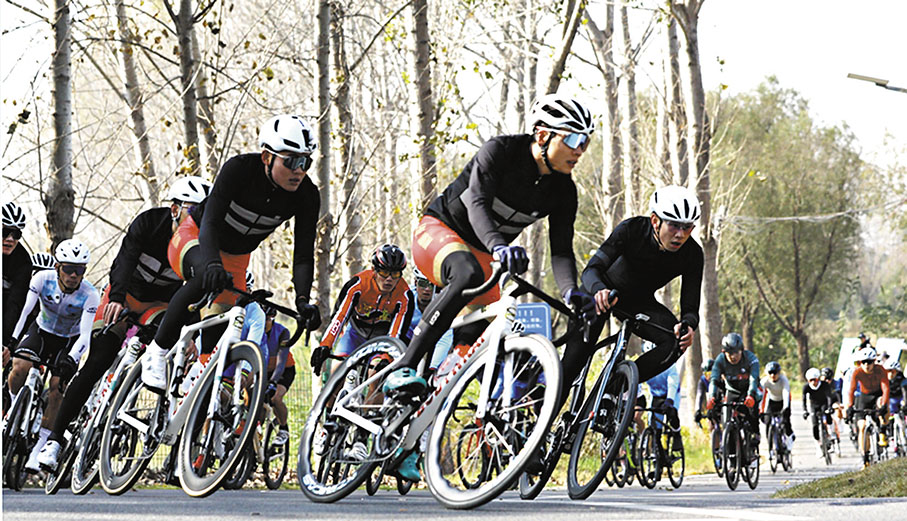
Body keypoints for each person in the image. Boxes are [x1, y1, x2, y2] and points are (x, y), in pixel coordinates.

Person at [382, 94, 596, 480]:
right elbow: (477, 203)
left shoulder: (564, 190)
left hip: (486, 255)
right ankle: (404, 366)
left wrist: (570, 292)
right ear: (544, 135)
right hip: (441, 232)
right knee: (465, 272)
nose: (581, 150)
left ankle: (414, 435)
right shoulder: (501, 151)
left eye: (587, 141)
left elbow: (561, 252)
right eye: (575, 139)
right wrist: (499, 246)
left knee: (481, 349)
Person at [36, 177, 213, 470]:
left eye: (203, 214)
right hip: (125, 294)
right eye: (192, 212)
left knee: (164, 349)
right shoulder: (149, 223)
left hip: (160, 306)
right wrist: (116, 297)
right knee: (98, 359)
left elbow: (194, 291)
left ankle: (126, 414)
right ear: (173, 209)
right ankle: (54, 441)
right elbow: (125, 260)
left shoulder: (200, 242)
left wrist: (190, 332)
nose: (198, 220)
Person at [141, 115, 322, 393]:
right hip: (195, 236)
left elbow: (303, 254)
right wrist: (211, 263)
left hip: (237, 257)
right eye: (291, 161)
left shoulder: (307, 194)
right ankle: (157, 349)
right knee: (203, 276)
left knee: (216, 336)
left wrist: (302, 301)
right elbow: (211, 222)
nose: (299, 170)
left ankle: (193, 409)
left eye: (305, 162)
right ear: (266, 156)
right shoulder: (239, 170)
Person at [558, 184, 703, 413]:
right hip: (601, 293)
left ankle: (615, 386)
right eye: (674, 226)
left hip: (638, 302)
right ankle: (538, 432)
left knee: (676, 342)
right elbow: (591, 270)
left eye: (687, 228)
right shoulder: (632, 229)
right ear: (655, 220)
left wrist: (688, 325)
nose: (680, 235)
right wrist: (599, 290)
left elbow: (690, 304)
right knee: (570, 368)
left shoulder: (693, 254)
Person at [5, 239, 99, 472]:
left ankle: (38, 450)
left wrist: (73, 359)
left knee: (57, 389)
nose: (73, 275)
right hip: (41, 331)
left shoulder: (90, 294)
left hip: (68, 340)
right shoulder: (41, 279)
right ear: (57, 267)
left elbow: (86, 335)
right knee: (20, 365)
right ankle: (14, 407)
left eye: (79, 270)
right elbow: (24, 310)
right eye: (68, 269)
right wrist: (11, 341)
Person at [310, 244, 415, 379]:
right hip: (354, 334)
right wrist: (325, 345)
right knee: (336, 374)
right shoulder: (358, 284)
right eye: (384, 272)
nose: (389, 279)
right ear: (374, 270)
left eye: (395, 274)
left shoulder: (405, 295)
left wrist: (386, 356)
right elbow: (340, 316)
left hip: (381, 338)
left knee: (376, 376)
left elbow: (396, 333)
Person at [707, 333, 761, 440]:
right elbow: (714, 380)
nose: (733, 357)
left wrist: (750, 395)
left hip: (748, 389)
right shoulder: (720, 360)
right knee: (727, 422)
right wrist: (712, 396)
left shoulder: (750, 358)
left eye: (736, 352)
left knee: (751, 412)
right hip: (732, 390)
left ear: (741, 350)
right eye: (729, 353)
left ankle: (755, 434)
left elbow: (754, 379)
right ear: (724, 352)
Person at [845, 347, 890, 467]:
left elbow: (885, 389)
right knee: (862, 426)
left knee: (882, 403)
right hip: (864, 397)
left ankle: (882, 431)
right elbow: (852, 390)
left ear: (874, 362)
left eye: (869, 362)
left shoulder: (880, 370)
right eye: (863, 362)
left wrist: (884, 406)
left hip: (877, 395)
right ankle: (865, 456)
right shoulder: (857, 372)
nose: (866, 365)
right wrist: (849, 406)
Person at [410, 267, 454, 379]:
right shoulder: (407, 298)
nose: (427, 289)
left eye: (431, 285)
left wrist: (433, 367)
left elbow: (446, 337)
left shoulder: (441, 303)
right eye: (423, 283)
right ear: (415, 283)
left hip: (431, 344)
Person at [261, 304, 294, 445]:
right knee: (254, 402)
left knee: (275, 398)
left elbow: (281, 364)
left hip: (283, 371)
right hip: (263, 370)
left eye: (268, 320)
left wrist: (273, 382)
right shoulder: (255, 330)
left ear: (272, 319)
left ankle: (283, 428)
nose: (265, 324)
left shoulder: (282, 332)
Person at [3, 202, 31, 348]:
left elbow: (15, 304)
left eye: (16, 234)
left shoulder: (23, 262)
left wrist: (5, 342)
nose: (10, 239)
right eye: (5, 232)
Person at [760, 361, 794, 450]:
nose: (772, 375)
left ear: (779, 373)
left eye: (775, 373)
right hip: (772, 401)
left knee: (785, 421)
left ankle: (789, 438)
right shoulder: (764, 381)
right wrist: (760, 410)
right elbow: (761, 395)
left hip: (783, 401)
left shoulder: (783, 380)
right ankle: (770, 446)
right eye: (770, 373)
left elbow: (786, 393)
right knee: (767, 422)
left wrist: (786, 407)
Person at [802, 367, 835, 457]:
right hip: (814, 406)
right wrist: (805, 411)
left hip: (824, 404)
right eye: (811, 380)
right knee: (814, 425)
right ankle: (818, 445)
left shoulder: (825, 385)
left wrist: (830, 407)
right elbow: (804, 400)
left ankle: (832, 434)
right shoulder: (806, 387)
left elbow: (829, 397)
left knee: (828, 417)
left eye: (815, 380)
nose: (813, 382)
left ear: (818, 378)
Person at [694, 358, 715, 424]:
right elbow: (700, 395)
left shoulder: (720, 377)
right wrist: (698, 410)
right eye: (706, 374)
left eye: (711, 373)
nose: (709, 377)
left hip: (722, 399)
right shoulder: (703, 380)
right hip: (712, 401)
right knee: (711, 423)